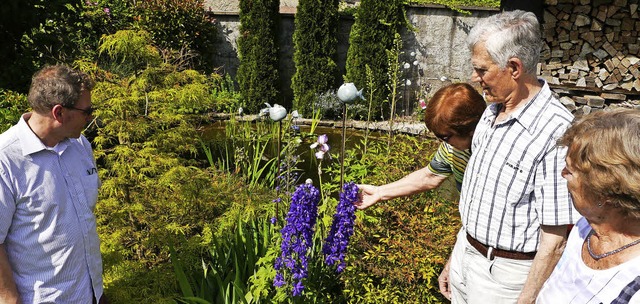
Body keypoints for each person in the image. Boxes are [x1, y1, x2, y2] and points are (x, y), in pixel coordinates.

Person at [438, 10, 577, 303]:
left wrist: (527, 299)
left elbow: (554, 239)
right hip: (467, 255)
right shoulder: (490, 113)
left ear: (514, 67)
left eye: (482, 70)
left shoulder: (555, 131)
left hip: (504, 278)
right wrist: (457, 256)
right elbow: (480, 203)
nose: (473, 78)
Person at [0, 65, 104, 303]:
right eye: (87, 111)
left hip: (90, 295)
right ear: (59, 113)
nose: (90, 118)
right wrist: (9, 299)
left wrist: (97, 292)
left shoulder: (79, 146)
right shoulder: (5, 160)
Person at [537, 109, 640, 303]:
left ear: (602, 190)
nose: (563, 174)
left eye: (570, 170)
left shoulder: (635, 286)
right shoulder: (584, 228)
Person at [355, 82, 486, 208]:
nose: (441, 142)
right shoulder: (452, 148)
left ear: (470, 130)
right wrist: (379, 192)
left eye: (445, 137)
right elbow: (429, 176)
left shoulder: (492, 151)